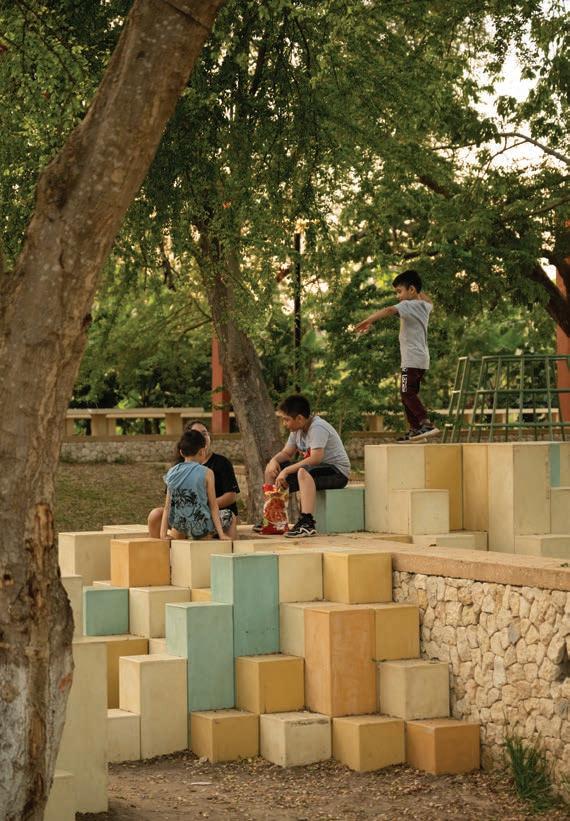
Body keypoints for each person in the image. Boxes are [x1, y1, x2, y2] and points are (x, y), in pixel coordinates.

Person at [354, 269, 439, 442]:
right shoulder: (424, 306)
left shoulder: (408, 305)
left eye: (399, 292)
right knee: (407, 394)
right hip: (421, 360)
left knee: (407, 394)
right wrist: (417, 287)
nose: (398, 296)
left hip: (411, 359)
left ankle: (425, 423)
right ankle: (416, 429)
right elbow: (429, 300)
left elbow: (389, 310)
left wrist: (368, 320)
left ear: (412, 290)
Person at [256, 394, 351, 538]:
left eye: (286, 419)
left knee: (302, 472)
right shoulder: (297, 430)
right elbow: (287, 453)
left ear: (300, 418)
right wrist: (274, 461)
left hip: (337, 473)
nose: (284, 423)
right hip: (314, 471)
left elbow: (316, 458)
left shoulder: (317, 427)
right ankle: (273, 519)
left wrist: (286, 471)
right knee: (272, 469)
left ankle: (307, 523)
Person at [148, 419, 240, 537]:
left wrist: (196, 505)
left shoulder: (221, 463)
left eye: (204, 433)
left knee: (228, 516)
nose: (201, 437)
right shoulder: (201, 472)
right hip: (196, 519)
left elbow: (230, 496)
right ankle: (161, 545)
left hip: (193, 518)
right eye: (196, 434)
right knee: (155, 514)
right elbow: (169, 506)